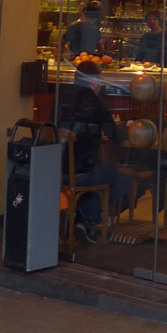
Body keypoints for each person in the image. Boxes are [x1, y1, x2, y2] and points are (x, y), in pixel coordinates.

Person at [55, 60, 132, 242]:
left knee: (102, 174)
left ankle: (79, 217)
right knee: (124, 180)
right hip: (84, 170)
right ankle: (87, 219)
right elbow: (116, 136)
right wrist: (130, 128)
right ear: (95, 82)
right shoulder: (95, 102)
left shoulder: (60, 96)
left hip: (56, 169)